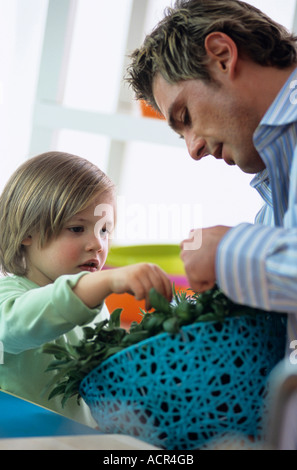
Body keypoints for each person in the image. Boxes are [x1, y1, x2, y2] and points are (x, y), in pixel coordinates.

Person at [126, 0, 297, 354]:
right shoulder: (275, 196)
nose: (194, 149)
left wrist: (226, 250)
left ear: (221, 55)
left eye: (185, 115)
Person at [0, 151, 172, 427]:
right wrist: (104, 282)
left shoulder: (95, 308)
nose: (98, 244)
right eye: (78, 228)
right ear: (26, 233)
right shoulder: (7, 298)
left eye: (105, 230)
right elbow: (22, 323)